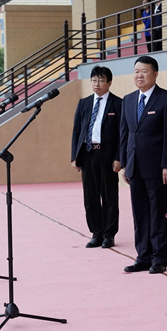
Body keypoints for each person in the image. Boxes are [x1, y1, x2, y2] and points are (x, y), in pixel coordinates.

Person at [119, 56, 167, 274]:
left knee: (158, 212)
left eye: (144, 71)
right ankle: (143, 256)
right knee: (140, 214)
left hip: (158, 169)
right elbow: (124, 134)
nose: (139, 75)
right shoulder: (128, 100)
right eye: (136, 71)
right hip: (134, 167)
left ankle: (159, 258)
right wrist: (125, 163)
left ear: (155, 74)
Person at [71, 65, 123, 249]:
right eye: (94, 80)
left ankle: (109, 234)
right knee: (90, 196)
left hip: (107, 155)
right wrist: (75, 156)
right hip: (88, 154)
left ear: (109, 82)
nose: (96, 84)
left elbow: (122, 134)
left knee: (109, 195)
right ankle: (96, 233)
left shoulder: (118, 103)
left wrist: (118, 157)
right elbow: (77, 131)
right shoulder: (84, 103)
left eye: (101, 80)